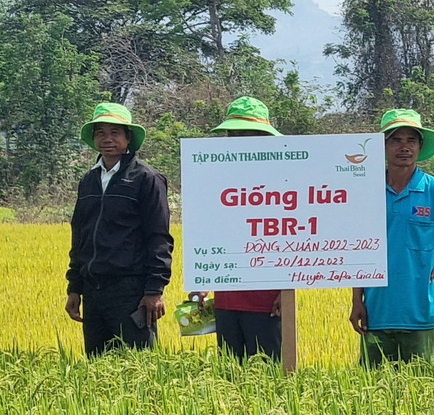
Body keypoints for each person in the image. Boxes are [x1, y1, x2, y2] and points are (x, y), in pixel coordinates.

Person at [349, 108, 434, 368]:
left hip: (420, 311)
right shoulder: (366, 190)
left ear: (420, 147)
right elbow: (359, 249)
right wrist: (357, 301)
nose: (404, 147)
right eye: (396, 140)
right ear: (383, 146)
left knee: (422, 394)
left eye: (411, 140)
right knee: (371, 393)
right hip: (376, 311)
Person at [65, 103, 174, 356]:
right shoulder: (89, 180)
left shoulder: (146, 178)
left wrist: (154, 290)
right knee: (97, 367)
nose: (107, 139)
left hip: (131, 291)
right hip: (94, 291)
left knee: (139, 368)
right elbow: (80, 236)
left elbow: (159, 236)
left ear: (128, 138)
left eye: (115, 132)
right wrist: (75, 287)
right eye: (100, 133)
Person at [193, 96, 284, 360]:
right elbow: (208, 232)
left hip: (267, 300)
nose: (240, 140)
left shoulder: (283, 182)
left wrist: (284, 292)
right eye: (235, 134)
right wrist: (203, 280)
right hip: (226, 297)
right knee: (231, 373)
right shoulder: (216, 181)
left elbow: (295, 237)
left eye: (249, 134)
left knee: (269, 374)